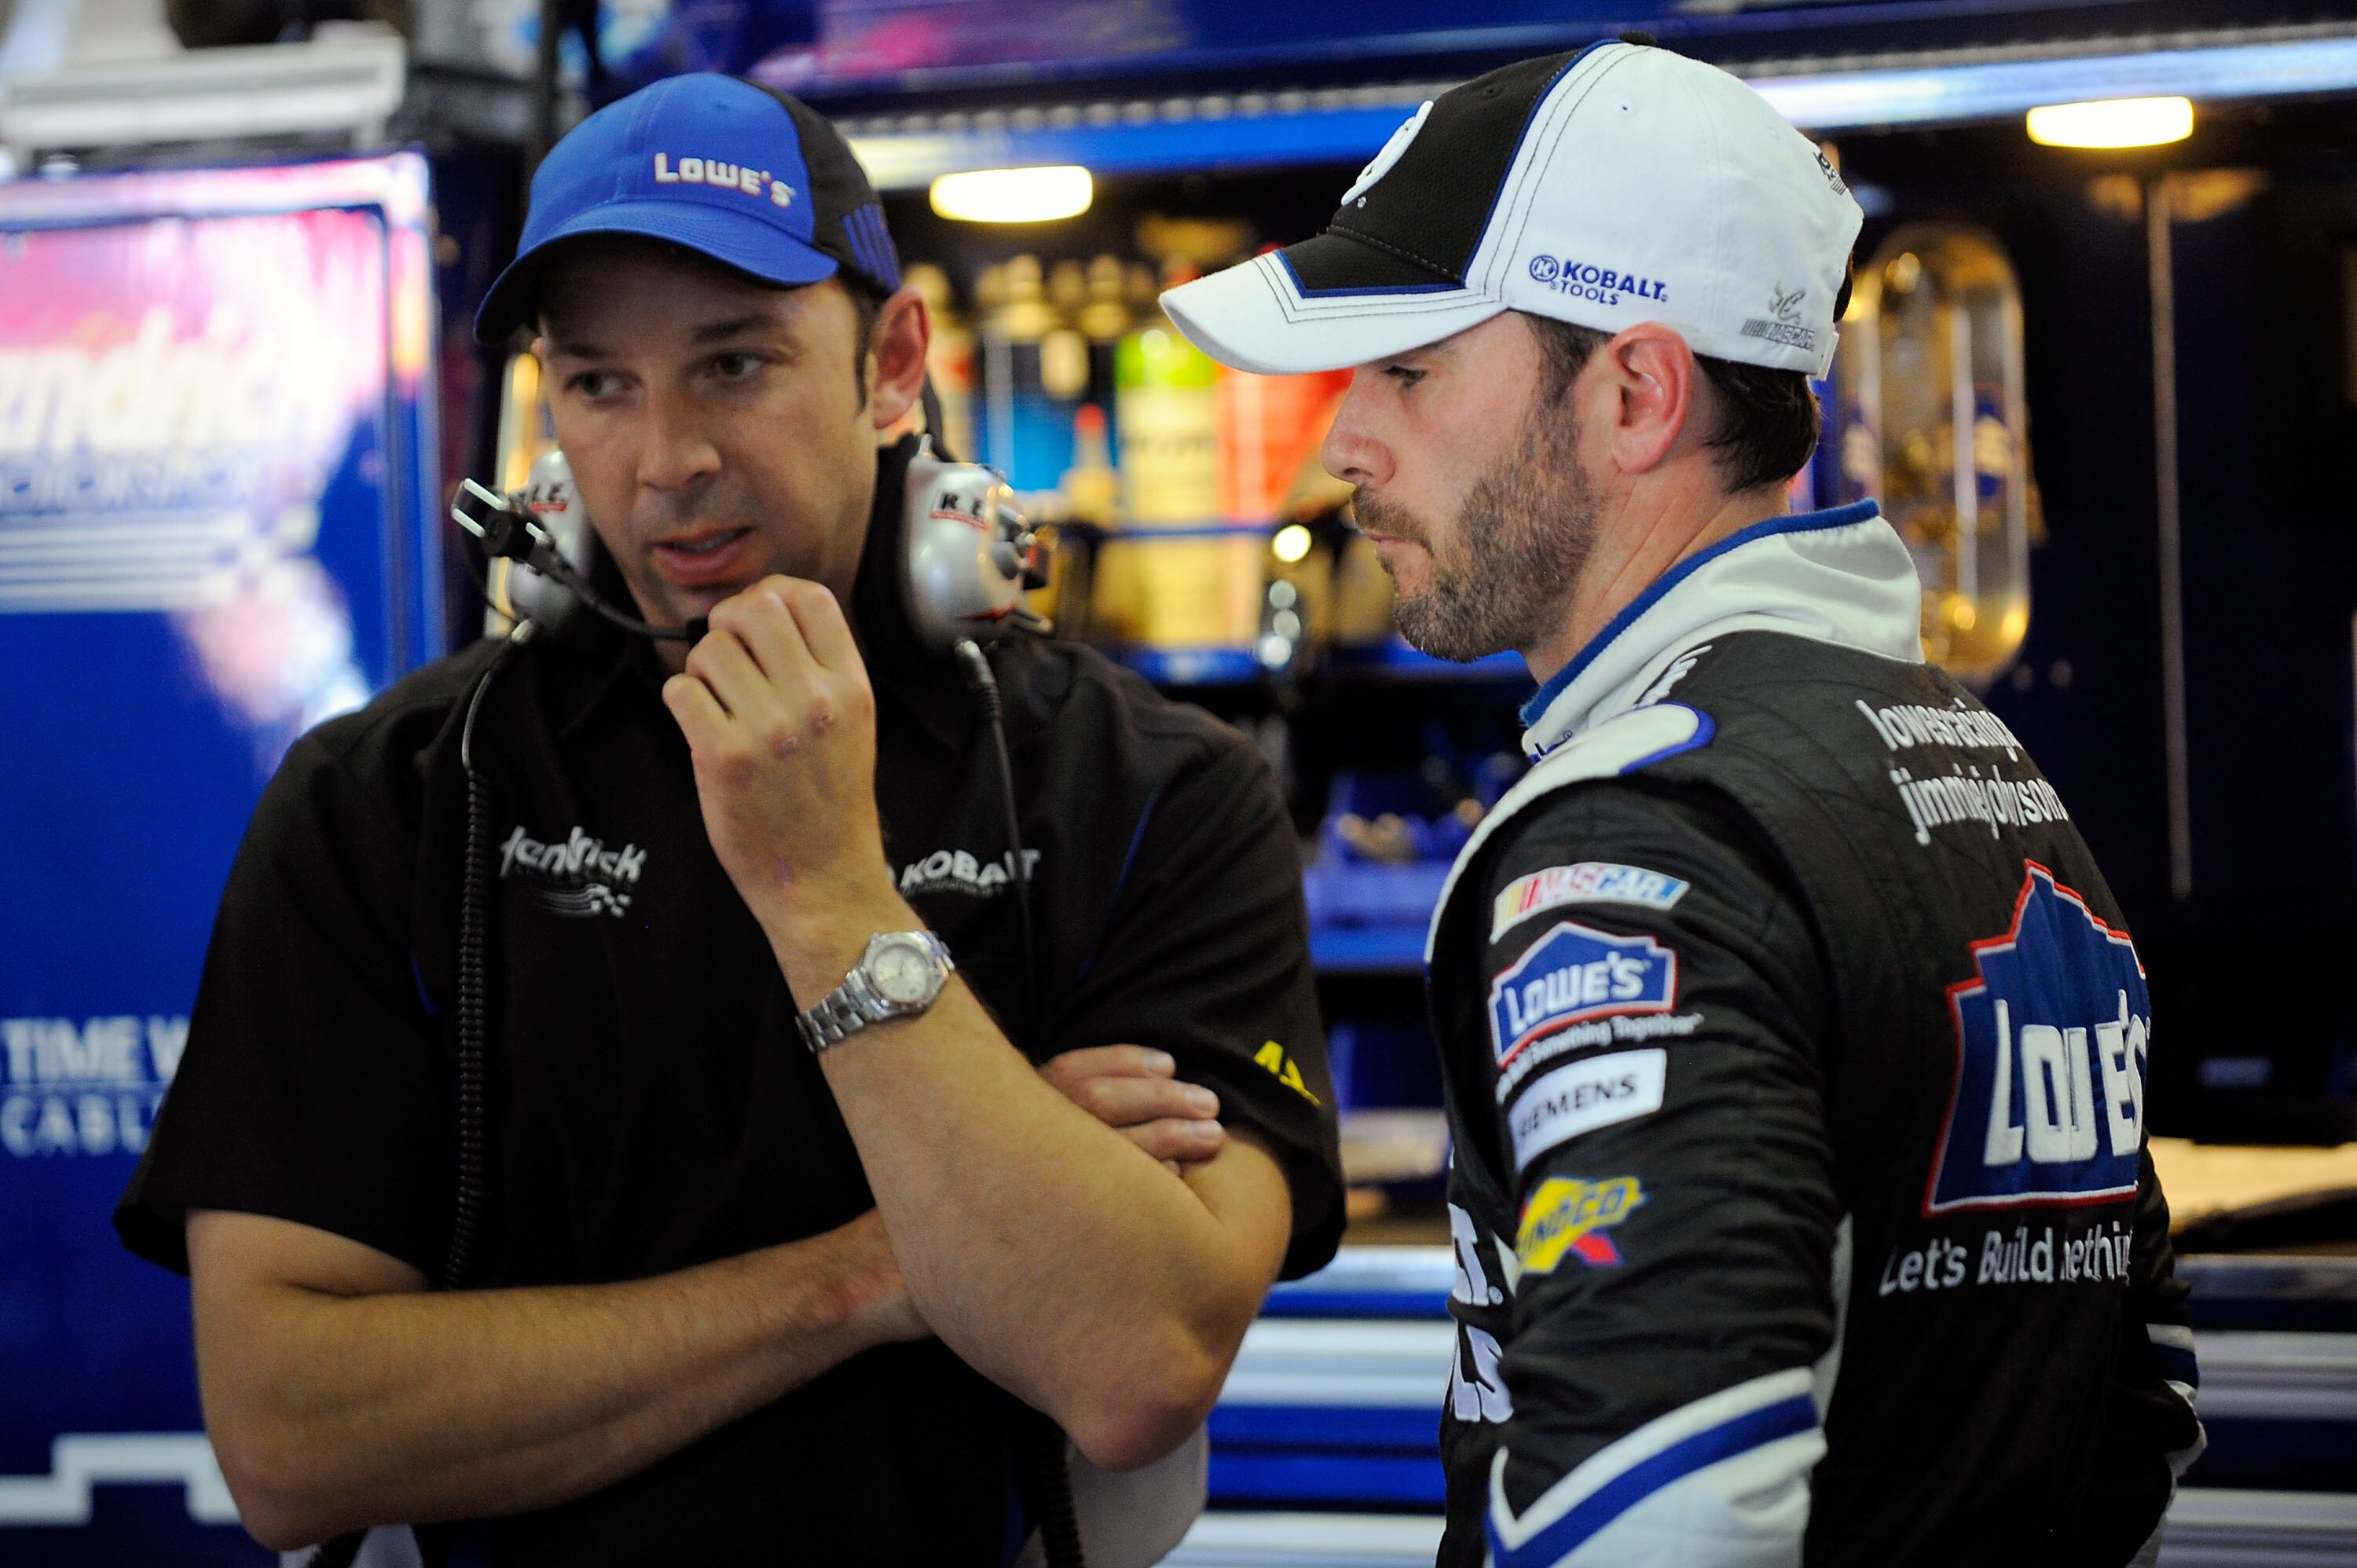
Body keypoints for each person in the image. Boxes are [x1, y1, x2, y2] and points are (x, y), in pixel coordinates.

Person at [115, 73, 1343, 1566]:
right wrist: (890, 1271)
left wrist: (829, 893)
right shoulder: (390, 797)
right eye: (599, 383)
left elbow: (1135, 1359)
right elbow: (288, 1440)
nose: (664, 460)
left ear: (892, 368)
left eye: (734, 366)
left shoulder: (1150, 791)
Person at [1165, 36, 2203, 1568]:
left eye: (1408, 367)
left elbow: (1658, 1521)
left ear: (1636, 390)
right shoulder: (1974, 766)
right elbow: (2140, 1414)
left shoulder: (1633, 841)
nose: (1343, 446)